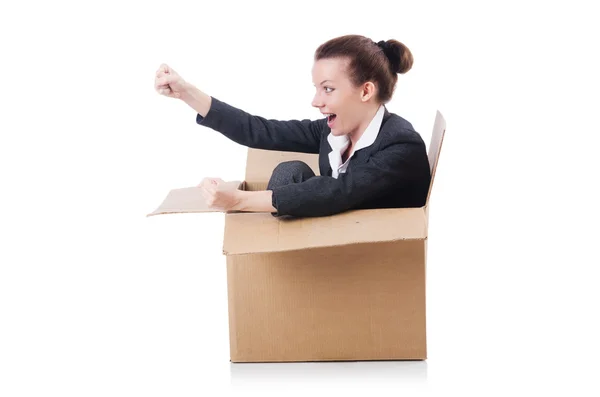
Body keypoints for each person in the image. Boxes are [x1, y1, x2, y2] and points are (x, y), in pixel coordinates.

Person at [154, 34, 431, 218]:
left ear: (365, 91)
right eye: (317, 88)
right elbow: (260, 130)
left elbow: (339, 192)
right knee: (290, 172)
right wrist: (186, 93)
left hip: (373, 262)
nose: (315, 101)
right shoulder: (334, 132)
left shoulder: (401, 145)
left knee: (299, 183)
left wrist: (237, 200)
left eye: (328, 89)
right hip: (333, 239)